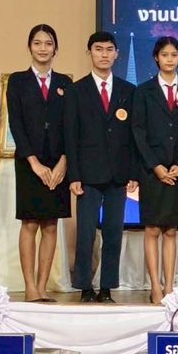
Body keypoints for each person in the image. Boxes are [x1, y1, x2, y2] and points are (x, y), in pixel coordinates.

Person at [64, 31, 138, 303]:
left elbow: (134, 136)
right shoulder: (76, 90)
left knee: (113, 233)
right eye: (98, 49)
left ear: (117, 54)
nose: (104, 54)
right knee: (85, 234)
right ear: (90, 53)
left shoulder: (128, 91)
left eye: (109, 49)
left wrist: (134, 172)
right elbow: (70, 136)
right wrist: (74, 175)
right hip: (87, 174)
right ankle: (84, 286)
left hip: (119, 174)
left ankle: (107, 287)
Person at [133, 36, 178, 305]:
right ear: (156, 58)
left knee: (171, 230)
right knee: (152, 229)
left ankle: (170, 287)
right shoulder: (144, 91)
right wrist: (156, 166)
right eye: (164, 55)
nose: (169, 59)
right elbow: (138, 131)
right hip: (153, 171)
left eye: (174, 55)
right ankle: (155, 286)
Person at [6, 24, 71, 302]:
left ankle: (43, 287)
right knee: (30, 223)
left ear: (56, 48)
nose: (43, 48)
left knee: (51, 225)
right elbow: (16, 124)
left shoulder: (65, 83)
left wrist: (63, 162)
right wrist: (33, 162)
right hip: (29, 162)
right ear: (29, 47)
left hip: (58, 164)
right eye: (37, 43)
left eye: (48, 43)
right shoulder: (18, 81)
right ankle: (30, 287)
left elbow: (71, 127)